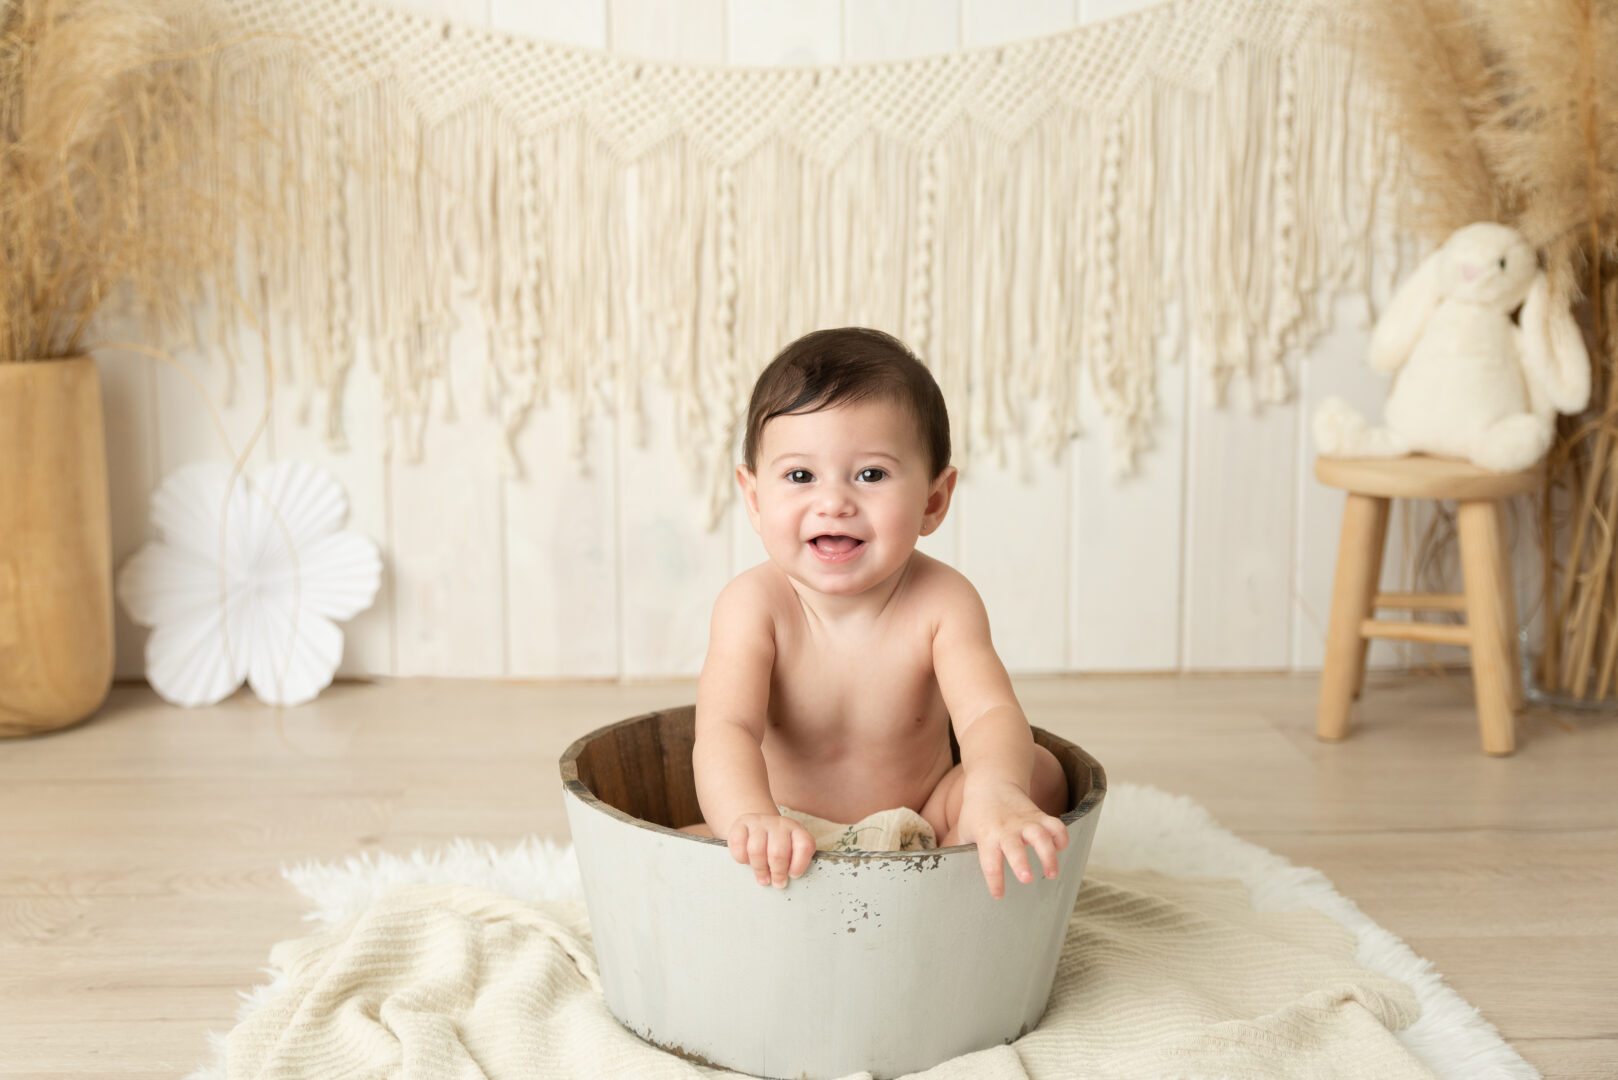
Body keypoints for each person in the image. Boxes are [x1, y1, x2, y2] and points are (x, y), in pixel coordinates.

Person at [684, 327, 1069, 899]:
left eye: (871, 475)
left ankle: (968, 849)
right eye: (800, 476)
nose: (834, 501)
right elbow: (725, 729)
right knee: (681, 843)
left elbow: (987, 711)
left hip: (926, 826)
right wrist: (750, 817)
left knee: (1039, 772)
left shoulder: (944, 601)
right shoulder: (753, 605)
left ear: (933, 501)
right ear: (756, 498)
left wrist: (993, 789)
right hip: (790, 833)